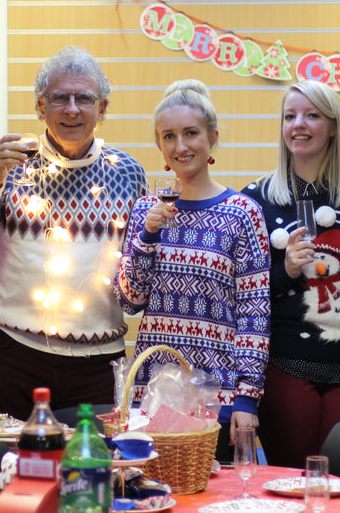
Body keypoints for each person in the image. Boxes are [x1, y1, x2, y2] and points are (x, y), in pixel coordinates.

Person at [0, 46, 148, 419]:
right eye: (59, 98)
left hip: (98, 364)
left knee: (90, 471)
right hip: (17, 356)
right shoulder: (12, 166)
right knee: (20, 470)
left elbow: (140, 268)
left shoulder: (128, 173)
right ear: (40, 106)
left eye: (84, 98)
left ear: (102, 110)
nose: (72, 108)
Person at [115, 79, 270, 462]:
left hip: (215, 398)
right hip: (153, 395)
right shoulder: (145, 212)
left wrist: (246, 398)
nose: (180, 146)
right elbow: (129, 299)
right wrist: (148, 235)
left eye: (190, 134)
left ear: (212, 138)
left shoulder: (243, 213)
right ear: (159, 146)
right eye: (169, 136)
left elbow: (254, 314)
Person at [240, 80, 340, 468]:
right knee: (291, 481)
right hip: (285, 362)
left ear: (334, 126)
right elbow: (243, 297)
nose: (298, 124)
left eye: (312, 115)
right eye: (290, 116)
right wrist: (285, 271)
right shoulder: (256, 198)